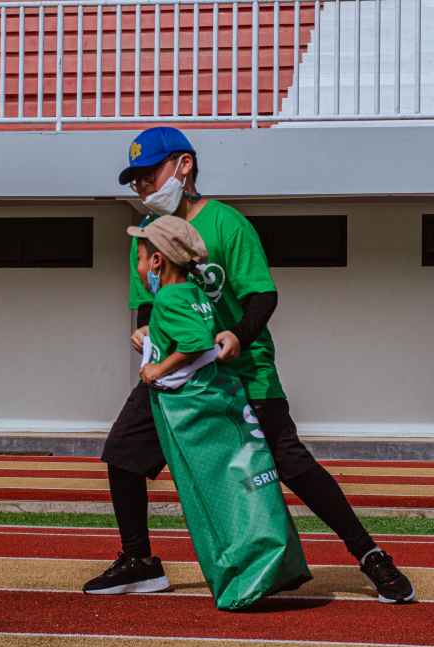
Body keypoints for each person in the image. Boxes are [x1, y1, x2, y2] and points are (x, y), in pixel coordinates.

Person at [82, 127, 415, 604]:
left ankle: (370, 555)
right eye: (135, 180)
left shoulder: (226, 223)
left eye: (149, 174)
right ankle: (139, 561)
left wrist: (238, 334)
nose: (143, 187)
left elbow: (263, 295)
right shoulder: (149, 234)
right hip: (181, 377)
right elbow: (148, 304)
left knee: (290, 463)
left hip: (244, 370)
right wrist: (144, 332)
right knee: (123, 453)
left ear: (183, 165)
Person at [129, 215, 311, 610]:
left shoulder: (168, 299)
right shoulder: (195, 292)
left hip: (194, 411)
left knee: (213, 494)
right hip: (219, 398)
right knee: (245, 485)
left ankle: (242, 579)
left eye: (141, 259)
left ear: (158, 262)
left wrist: (157, 369)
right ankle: (273, 562)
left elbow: (194, 343)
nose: (138, 267)